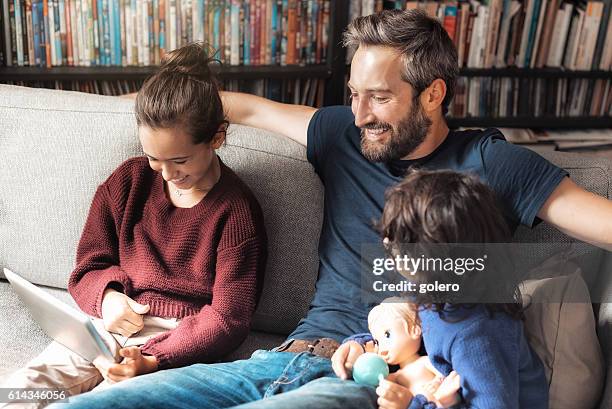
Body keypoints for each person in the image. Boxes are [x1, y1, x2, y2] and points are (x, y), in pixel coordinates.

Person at [55, 9, 612, 409]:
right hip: (282, 357)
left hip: (370, 376)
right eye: (352, 93)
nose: (359, 113)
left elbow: (597, 225)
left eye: (380, 97)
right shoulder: (342, 134)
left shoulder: (492, 162)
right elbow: (238, 106)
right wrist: (131, 109)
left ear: (433, 94)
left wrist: (427, 298)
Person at [3, 42, 267, 408]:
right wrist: (108, 298)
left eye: (180, 160)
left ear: (216, 138)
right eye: (154, 159)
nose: (168, 174)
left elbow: (229, 319)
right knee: (19, 392)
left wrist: (155, 358)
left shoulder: (236, 213)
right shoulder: (128, 181)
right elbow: (86, 269)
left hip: (176, 341)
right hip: (107, 325)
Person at [355, 170, 548, 408]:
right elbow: (407, 330)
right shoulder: (432, 290)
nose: (387, 243)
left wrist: (413, 405)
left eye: (401, 239)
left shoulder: (478, 336)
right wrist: (363, 345)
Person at [367, 299, 461, 408]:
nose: (382, 348)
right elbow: (380, 384)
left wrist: (437, 381)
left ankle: (446, 402)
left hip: (438, 401)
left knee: (449, 393)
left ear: (414, 330)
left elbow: (442, 373)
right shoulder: (395, 376)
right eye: (377, 342)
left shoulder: (425, 361)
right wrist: (371, 357)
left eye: (387, 335)